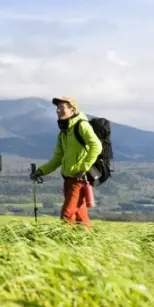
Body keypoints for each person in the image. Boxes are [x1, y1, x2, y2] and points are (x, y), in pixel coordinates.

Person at [30, 96, 102, 229]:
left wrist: (84, 168)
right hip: (68, 180)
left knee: (67, 215)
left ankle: (64, 244)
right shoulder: (63, 133)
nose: (58, 110)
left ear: (72, 110)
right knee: (79, 216)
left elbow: (96, 146)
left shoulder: (82, 126)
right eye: (57, 108)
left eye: (62, 107)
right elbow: (57, 159)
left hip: (79, 179)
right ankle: (87, 242)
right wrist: (41, 171)